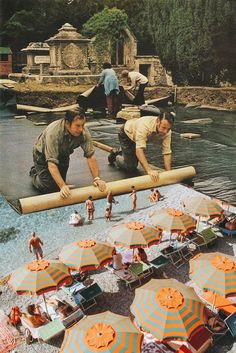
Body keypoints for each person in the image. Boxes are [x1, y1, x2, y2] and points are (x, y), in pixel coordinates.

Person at [30, 108, 106, 198]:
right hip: (42, 156)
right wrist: (62, 186)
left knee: (61, 181)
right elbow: (51, 164)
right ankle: (35, 173)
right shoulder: (54, 133)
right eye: (77, 126)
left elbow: (90, 156)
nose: (81, 129)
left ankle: (41, 173)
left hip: (63, 154)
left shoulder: (83, 132)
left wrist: (97, 178)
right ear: (67, 123)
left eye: (83, 125)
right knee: (50, 187)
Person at [108, 112, 174, 183]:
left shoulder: (167, 132)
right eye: (163, 128)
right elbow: (139, 150)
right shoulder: (145, 126)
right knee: (131, 167)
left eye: (168, 129)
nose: (165, 131)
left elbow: (167, 153)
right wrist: (149, 170)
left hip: (139, 137)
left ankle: (124, 150)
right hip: (127, 134)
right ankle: (116, 154)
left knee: (134, 154)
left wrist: (169, 173)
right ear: (158, 121)